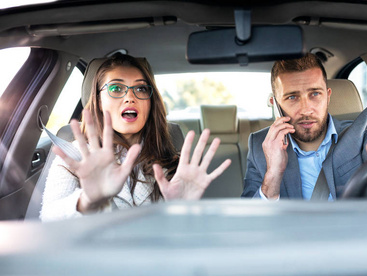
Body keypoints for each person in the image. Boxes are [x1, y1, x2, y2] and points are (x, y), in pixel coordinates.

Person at [41, 54, 231, 221]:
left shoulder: (174, 163)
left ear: (150, 102)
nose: (130, 97)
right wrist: (88, 201)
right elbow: (49, 221)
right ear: (98, 101)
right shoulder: (74, 156)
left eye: (140, 89)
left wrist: (182, 211)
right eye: (116, 88)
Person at [241, 53, 367, 200]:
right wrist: (273, 175)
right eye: (292, 97)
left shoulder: (363, 131)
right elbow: (249, 225)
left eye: (315, 94)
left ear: (328, 95)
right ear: (276, 103)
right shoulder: (261, 147)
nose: (306, 109)